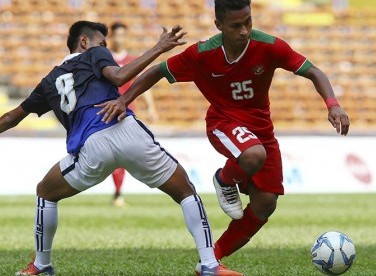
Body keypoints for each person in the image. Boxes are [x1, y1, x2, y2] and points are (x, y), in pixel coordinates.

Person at [0, 21, 243, 276]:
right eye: (101, 42)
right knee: (185, 191)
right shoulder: (94, 54)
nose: (105, 48)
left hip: (91, 149)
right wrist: (159, 47)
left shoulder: (49, 82)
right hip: (126, 131)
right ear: (84, 42)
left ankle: (41, 264)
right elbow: (119, 77)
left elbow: (16, 114)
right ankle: (208, 263)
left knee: (45, 192)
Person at [96, 0, 351, 274]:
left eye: (248, 22)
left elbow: (314, 71)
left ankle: (211, 259)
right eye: (236, 25)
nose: (244, 31)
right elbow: (157, 72)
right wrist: (125, 99)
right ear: (219, 25)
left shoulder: (269, 45)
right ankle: (224, 179)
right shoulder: (202, 54)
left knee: (265, 204)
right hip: (223, 122)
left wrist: (332, 104)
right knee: (253, 155)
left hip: (262, 129)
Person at [108, 21, 159, 208]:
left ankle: (118, 192)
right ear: (110, 37)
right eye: (116, 35)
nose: (119, 39)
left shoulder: (132, 60)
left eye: (123, 35)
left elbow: (143, 84)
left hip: (127, 114)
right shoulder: (104, 59)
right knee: (111, 154)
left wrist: (151, 107)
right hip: (105, 112)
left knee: (121, 154)